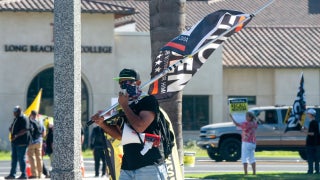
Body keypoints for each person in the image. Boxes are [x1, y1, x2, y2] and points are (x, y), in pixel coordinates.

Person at [91, 68, 168, 180]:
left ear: (138, 83)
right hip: (128, 165)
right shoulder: (121, 106)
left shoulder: (148, 101)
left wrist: (125, 106)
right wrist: (102, 124)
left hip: (149, 164)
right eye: (121, 82)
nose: (124, 85)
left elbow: (140, 127)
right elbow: (120, 135)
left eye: (127, 81)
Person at [5, 106, 30, 179]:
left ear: (19, 111)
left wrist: (16, 135)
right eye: (14, 112)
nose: (14, 113)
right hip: (15, 142)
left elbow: (25, 130)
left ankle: (24, 175)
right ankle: (12, 174)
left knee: (21, 158)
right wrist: (11, 129)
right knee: (14, 158)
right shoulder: (16, 118)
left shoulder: (24, 118)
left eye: (15, 112)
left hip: (21, 142)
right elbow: (14, 127)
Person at [27, 110, 46, 179]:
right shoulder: (40, 121)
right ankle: (40, 174)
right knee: (39, 158)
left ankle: (34, 174)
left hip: (32, 142)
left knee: (32, 158)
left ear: (31, 114)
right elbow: (44, 133)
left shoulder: (30, 121)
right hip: (40, 142)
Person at [305, 108, 320, 174]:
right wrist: (306, 129)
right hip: (316, 143)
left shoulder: (313, 123)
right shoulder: (315, 123)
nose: (307, 115)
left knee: (310, 158)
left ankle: (310, 171)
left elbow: (313, 133)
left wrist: (305, 133)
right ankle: (317, 171)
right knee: (316, 159)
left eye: (308, 114)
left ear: (311, 115)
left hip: (312, 143)